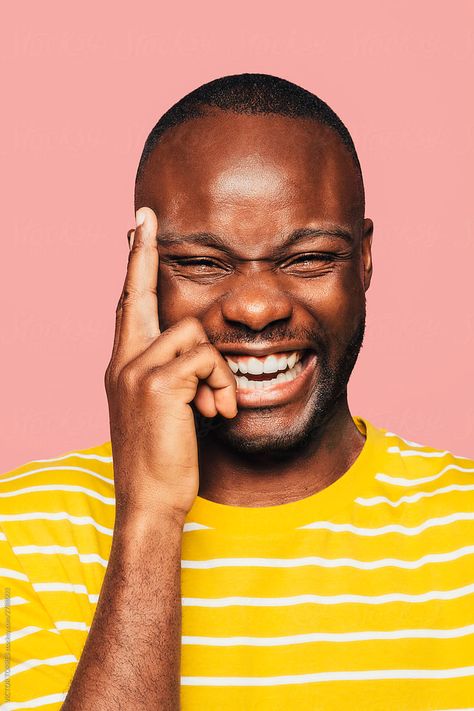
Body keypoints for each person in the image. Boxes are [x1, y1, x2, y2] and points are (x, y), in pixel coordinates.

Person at [1, 73, 473, 711]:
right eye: (201, 264)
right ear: (140, 270)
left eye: (309, 258)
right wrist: (149, 519)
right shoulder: (17, 536)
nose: (254, 308)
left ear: (364, 260)